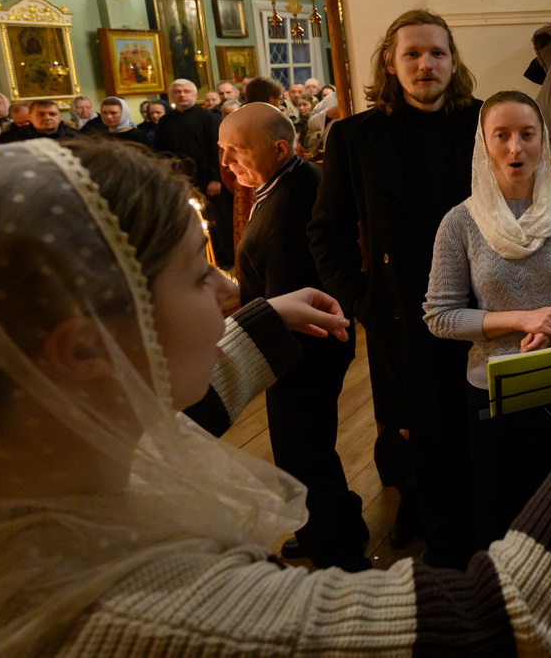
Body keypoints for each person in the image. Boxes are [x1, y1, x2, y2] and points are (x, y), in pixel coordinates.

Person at [0, 137, 551, 657]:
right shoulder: (137, 615)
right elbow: (500, 622)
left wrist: (263, 327)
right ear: (84, 347)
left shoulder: (26, 451)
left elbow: (167, 423)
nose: (228, 289)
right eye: (196, 275)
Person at [310, 9, 483, 566]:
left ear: (452, 62)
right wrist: (361, 299)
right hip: (401, 309)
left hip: (481, 306)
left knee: (478, 425)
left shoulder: (484, 123)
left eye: (437, 53)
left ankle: (485, 541)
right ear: (390, 61)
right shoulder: (354, 136)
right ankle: (443, 552)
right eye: (412, 54)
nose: (425, 64)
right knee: (418, 432)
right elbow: (327, 231)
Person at [423, 90, 551, 539]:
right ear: (484, 144)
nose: (515, 148)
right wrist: (520, 320)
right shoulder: (460, 222)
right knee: (504, 517)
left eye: (527, 134)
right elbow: (440, 316)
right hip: (495, 389)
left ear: (543, 140)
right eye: (502, 135)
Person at [220, 103, 368, 571]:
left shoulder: (293, 202)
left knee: (303, 456)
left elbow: (284, 299)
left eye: (237, 151)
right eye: (222, 150)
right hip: (304, 349)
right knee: (308, 449)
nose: (226, 162)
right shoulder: (286, 181)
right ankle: (325, 525)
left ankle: (340, 559)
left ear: (280, 148)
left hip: (301, 354)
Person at [155, 79, 230, 267]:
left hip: (206, 178)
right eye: (177, 91)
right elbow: (160, 153)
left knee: (215, 220)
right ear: (171, 96)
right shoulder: (165, 121)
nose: (182, 94)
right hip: (178, 178)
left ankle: (222, 259)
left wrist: (216, 178)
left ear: (195, 95)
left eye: (186, 91)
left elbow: (217, 149)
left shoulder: (208, 117)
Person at [0, 99, 80, 143]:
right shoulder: (12, 139)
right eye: (41, 114)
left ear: (59, 117)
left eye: (52, 114)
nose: (47, 118)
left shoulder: (75, 137)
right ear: (30, 117)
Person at [80, 97, 146, 144]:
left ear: (123, 113)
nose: (108, 117)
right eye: (104, 113)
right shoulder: (100, 136)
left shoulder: (138, 137)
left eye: (113, 113)